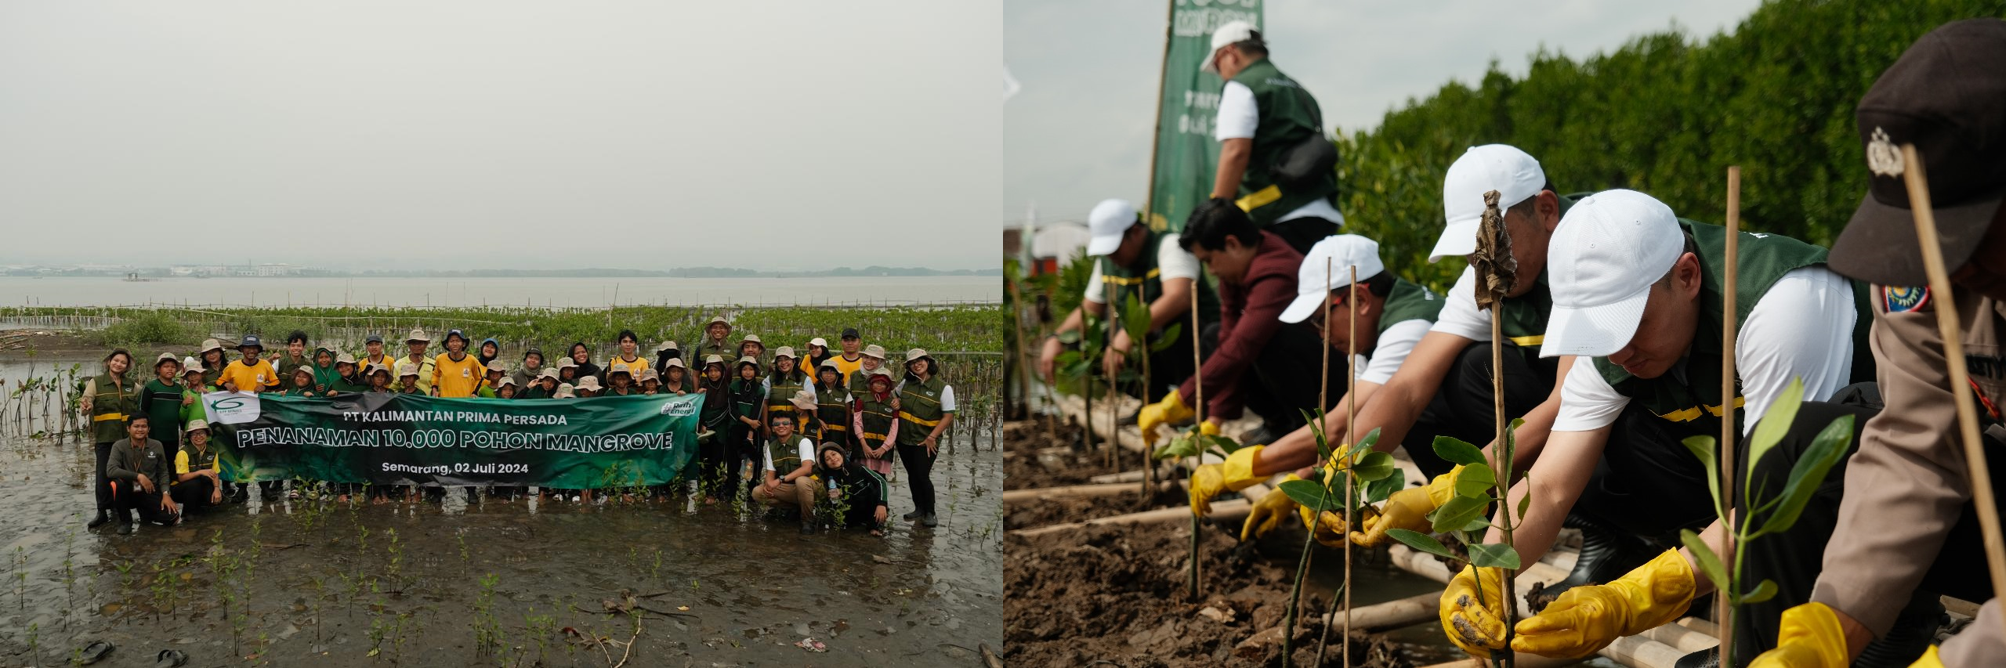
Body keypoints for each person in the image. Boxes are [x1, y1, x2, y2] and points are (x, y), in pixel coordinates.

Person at [1440, 189, 1875, 661]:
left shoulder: (1781, 306)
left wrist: (1633, 599)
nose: (1618, 352)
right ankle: (1709, 572)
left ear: (1686, 276)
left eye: (1629, 325)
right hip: (1747, 471)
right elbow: (1548, 486)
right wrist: (1484, 572)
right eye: (1599, 332)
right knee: (1608, 451)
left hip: (1867, 479)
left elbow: (1778, 501)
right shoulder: (1615, 348)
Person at [1743, 21, 2006, 667]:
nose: (1939, 272)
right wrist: (1833, 623)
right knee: (1796, 443)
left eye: (1959, 239)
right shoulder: (1920, 273)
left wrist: (1966, 660)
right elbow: (1918, 448)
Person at [1191, 146, 1573, 532]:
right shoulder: (1484, 275)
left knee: (1468, 370)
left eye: (1493, 243)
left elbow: (1572, 401)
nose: (1482, 263)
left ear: (1546, 210)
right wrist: (1332, 480)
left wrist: (1448, 491)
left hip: (1608, 425)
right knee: (1428, 384)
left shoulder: (1591, 252)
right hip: (1556, 422)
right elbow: (1402, 390)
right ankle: (1488, 509)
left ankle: (1530, 510)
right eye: (1472, 252)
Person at [1229, 235, 1450, 543]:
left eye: (1322, 320)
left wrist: (1244, 467)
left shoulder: (1408, 326)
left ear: (1359, 299)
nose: (1322, 335)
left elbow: (1336, 427)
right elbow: (1351, 422)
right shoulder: (1368, 336)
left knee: (1404, 408)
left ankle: (1474, 508)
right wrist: (1302, 481)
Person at [1139, 198, 1340, 445]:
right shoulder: (1236, 271)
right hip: (1296, 369)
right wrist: (1216, 418)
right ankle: (1278, 423)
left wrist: (1183, 399)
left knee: (1271, 339)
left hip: (1329, 381)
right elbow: (1228, 337)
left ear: (1231, 244)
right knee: (1215, 336)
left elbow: (1242, 346)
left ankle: (1304, 429)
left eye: (1208, 260)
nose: (1210, 270)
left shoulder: (1276, 271)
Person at [1039, 198, 1212, 403]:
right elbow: (1089, 310)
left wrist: (1129, 334)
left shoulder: (1169, 245)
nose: (1111, 256)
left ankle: (1192, 402)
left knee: (1174, 324)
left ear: (1136, 232)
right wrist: (1056, 338)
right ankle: (1152, 400)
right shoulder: (1107, 261)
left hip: (1199, 346)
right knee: (1086, 341)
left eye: (1115, 248)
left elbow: (1179, 297)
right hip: (1147, 347)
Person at [1200, 20, 1342, 254]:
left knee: (1276, 288)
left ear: (1231, 53)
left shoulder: (1241, 86)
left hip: (1277, 214)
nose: (1220, 74)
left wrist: (1216, 213)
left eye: (1217, 65)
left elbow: (1236, 151)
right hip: (1322, 211)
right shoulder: (1298, 88)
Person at [894, 349, 954, 527]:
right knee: (912, 474)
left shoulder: (943, 388)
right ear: (909, 367)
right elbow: (894, 396)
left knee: (922, 475)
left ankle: (930, 512)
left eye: (920, 360)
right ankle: (918, 507)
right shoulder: (906, 383)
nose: (917, 364)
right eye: (912, 362)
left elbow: (948, 416)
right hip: (904, 439)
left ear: (928, 362)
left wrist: (932, 436)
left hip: (926, 441)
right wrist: (895, 402)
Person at [82, 349, 139, 529]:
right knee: (103, 475)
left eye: (123, 362)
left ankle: (119, 508)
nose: (118, 364)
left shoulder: (132, 385)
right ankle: (102, 511)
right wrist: (86, 406)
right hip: (105, 439)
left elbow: (145, 398)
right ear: (109, 362)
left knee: (124, 475)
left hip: (126, 440)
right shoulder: (96, 382)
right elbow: (86, 402)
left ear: (127, 366)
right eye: (116, 360)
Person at [105, 415, 178, 535]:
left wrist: (166, 493)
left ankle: (146, 512)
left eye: (143, 426)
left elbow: (163, 471)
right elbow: (111, 470)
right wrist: (138, 476)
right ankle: (126, 521)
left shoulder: (157, 445)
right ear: (128, 428)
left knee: (173, 519)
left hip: (150, 489)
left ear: (149, 429)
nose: (140, 429)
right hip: (130, 489)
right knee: (116, 485)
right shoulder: (119, 445)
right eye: (136, 426)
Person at [751, 414, 821, 534]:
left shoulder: (803, 442)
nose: (781, 426)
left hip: (812, 486)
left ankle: (807, 521)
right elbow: (770, 474)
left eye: (785, 423)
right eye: (777, 424)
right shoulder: (771, 447)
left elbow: (807, 469)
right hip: (791, 489)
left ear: (792, 426)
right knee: (757, 492)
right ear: (773, 428)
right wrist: (768, 485)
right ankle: (795, 507)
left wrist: (780, 480)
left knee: (801, 481)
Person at [816, 443, 889, 536]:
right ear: (825, 464)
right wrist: (837, 495)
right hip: (850, 513)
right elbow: (831, 503)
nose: (832, 459)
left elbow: (881, 481)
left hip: (868, 507)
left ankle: (874, 527)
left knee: (875, 494)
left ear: (841, 454)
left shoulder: (857, 467)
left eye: (834, 454)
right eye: (828, 459)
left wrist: (882, 504)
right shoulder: (828, 479)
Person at [694, 355, 737, 504]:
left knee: (717, 462)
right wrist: (702, 424)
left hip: (720, 431)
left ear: (723, 371)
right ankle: (702, 491)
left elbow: (728, 411)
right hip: (704, 430)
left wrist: (711, 424)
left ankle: (714, 493)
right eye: (710, 370)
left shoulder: (727, 387)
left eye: (716, 370)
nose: (713, 374)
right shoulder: (703, 386)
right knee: (703, 461)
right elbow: (698, 409)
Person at [138, 353, 186, 465]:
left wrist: (183, 430)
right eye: (166, 366)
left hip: (172, 436)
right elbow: (141, 411)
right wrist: (143, 432)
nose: (170, 369)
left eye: (173, 367)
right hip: (153, 436)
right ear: (159, 369)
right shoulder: (151, 387)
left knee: (170, 464)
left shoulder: (179, 389)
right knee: (153, 464)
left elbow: (182, 412)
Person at [730, 358, 767, 496]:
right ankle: (732, 492)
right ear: (740, 371)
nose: (747, 372)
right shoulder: (734, 386)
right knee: (733, 460)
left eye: (751, 369)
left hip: (753, 430)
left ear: (755, 371)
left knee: (753, 462)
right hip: (736, 427)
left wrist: (750, 434)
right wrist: (748, 421)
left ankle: (752, 493)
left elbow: (756, 413)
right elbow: (732, 410)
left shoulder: (760, 390)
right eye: (744, 369)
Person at [853, 366, 899, 477]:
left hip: (883, 449)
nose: (879, 386)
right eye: (876, 382)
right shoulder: (862, 400)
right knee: (862, 476)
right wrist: (864, 445)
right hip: (864, 446)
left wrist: (884, 448)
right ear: (871, 383)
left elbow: (894, 428)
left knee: (880, 479)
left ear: (888, 386)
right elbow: (857, 423)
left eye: (883, 383)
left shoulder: (893, 403)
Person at [170, 419, 224, 512]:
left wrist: (216, 489)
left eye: (201, 433)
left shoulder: (213, 451)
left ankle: (199, 504)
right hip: (178, 487)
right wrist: (200, 472)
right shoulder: (183, 453)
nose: (198, 436)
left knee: (217, 499)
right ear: (190, 437)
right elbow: (181, 478)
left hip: (199, 484)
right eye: (194, 434)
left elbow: (214, 473)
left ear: (207, 435)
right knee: (194, 485)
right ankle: (188, 512)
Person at [765, 347, 813, 431]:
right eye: (779, 360)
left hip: (797, 426)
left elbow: (812, 403)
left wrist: (814, 422)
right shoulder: (770, 378)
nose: (783, 363)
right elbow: (764, 403)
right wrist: (765, 426)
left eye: (787, 359)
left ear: (794, 361)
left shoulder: (805, 379)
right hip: (775, 426)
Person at [812, 360, 854, 455]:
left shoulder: (845, 392)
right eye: (825, 372)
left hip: (839, 435)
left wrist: (847, 437)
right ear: (820, 374)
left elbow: (848, 417)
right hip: (820, 433)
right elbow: (810, 410)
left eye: (832, 372)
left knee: (836, 458)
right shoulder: (814, 390)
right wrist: (817, 420)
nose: (828, 375)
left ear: (837, 375)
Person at [432, 329, 484, 398]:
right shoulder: (440, 359)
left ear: (464, 344)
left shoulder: (472, 360)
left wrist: (474, 392)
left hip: (465, 403)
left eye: (458, 341)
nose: (455, 344)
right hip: (446, 403)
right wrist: (434, 389)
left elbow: (479, 378)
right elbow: (435, 375)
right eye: (451, 341)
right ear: (447, 344)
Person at [401, 329, 437, 395]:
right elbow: (394, 387)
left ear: (426, 345)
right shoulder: (399, 364)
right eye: (413, 343)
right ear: (409, 345)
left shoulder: (433, 365)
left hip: (426, 403)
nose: (417, 346)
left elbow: (438, 386)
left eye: (420, 343)